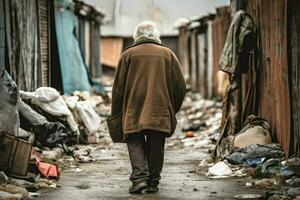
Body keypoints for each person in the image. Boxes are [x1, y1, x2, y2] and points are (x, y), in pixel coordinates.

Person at [111, 21, 186, 194]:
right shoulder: (168, 54)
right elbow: (180, 87)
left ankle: (139, 180)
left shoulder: (128, 55)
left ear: (136, 36)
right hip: (160, 108)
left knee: (134, 140)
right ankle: (153, 182)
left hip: (133, 107)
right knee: (156, 142)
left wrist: (116, 113)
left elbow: (118, 89)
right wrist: (171, 108)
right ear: (156, 35)